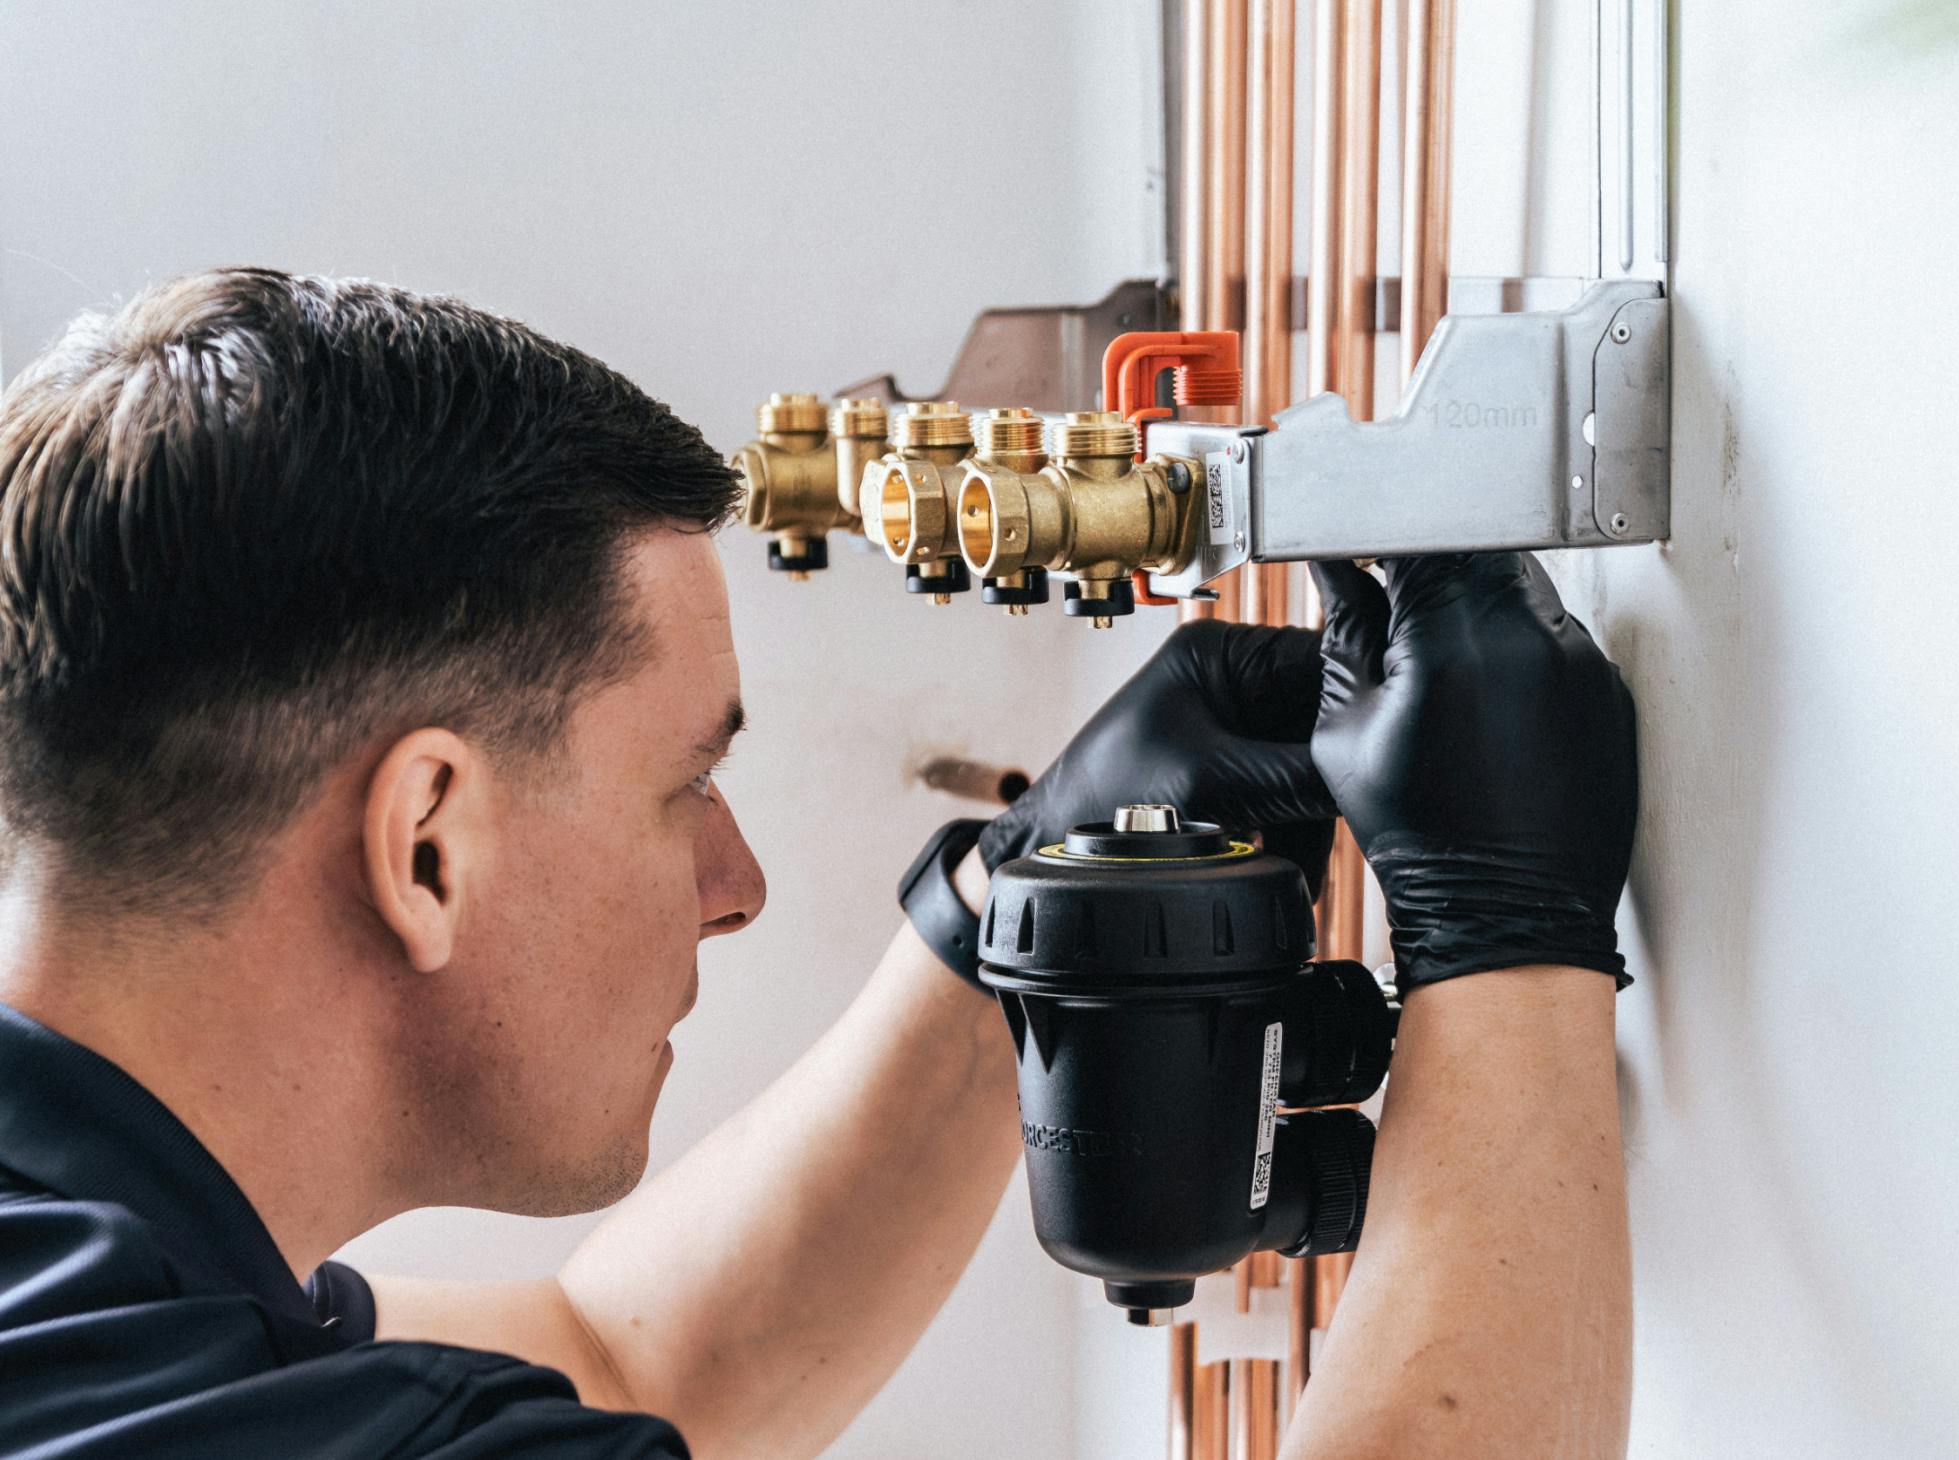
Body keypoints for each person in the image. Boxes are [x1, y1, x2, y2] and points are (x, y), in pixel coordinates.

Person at [0, 269, 1638, 1459]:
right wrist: (1505, 936)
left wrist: (1020, 899)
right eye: (684, 785)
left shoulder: (80, 1271)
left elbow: (629, 1363)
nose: (736, 880)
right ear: (426, 844)